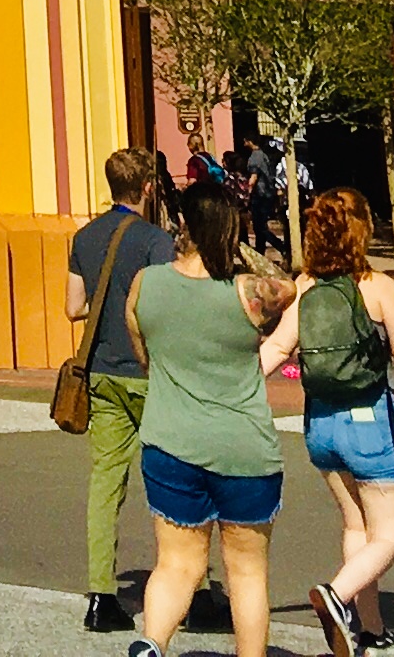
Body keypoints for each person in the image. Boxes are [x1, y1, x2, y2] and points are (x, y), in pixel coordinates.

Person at [265, 189, 394, 654]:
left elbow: (277, 348)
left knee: (357, 524)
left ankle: (369, 628)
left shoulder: (305, 286)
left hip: (321, 424)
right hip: (369, 422)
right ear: (363, 229)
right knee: (391, 534)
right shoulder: (378, 287)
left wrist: (230, 391)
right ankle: (336, 596)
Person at [123, 184, 286, 657]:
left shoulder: (146, 283)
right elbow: (287, 287)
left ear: (183, 224)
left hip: (170, 441)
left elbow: (145, 357)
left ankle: (151, 643)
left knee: (176, 564)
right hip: (243, 448)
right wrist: (238, 249)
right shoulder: (247, 291)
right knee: (247, 572)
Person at [63, 147, 177, 633]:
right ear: (148, 187)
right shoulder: (156, 241)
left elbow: (73, 307)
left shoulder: (84, 237)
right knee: (171, 479)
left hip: (102, 373)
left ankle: (100, 594)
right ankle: (187, 585)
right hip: (148, 374)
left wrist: (106, 303)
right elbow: (166, 306)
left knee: (106, 484)